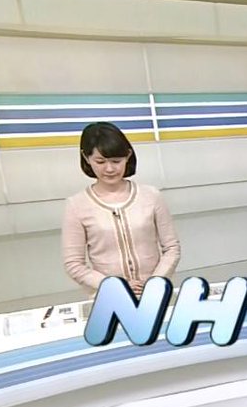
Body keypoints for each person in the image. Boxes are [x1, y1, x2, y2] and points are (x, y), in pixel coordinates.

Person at [62, 122, 180, 297]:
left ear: (128, 156)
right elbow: (74, 264)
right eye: (100, 161)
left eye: (116, 161)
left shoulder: (151, 195)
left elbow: (171, 248)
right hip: (109, 297)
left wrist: (154, 282)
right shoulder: (76, 205)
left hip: (154, 294)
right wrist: (116, 286)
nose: (109, 169)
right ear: (86, 158)